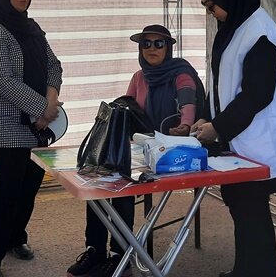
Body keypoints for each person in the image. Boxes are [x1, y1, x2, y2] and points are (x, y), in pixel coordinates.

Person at [190, 0, 276, 277]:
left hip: (262, 142)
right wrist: (206, 118)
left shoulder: (260, 33)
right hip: (241, 140)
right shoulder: (233, 29)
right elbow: (221, 84)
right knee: (243, 207)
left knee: (250, 211)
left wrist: (218, 127)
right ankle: (246, 270)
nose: (210, 12)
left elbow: (257, 94)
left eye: (212, 5)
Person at [67, 24, 204, 277]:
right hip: (142, 149)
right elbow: (127, 110)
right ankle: (95, 250)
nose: (152, 48)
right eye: (146, 44)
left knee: (123, 186)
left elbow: (188, 106)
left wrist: (184, 126)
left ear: (168, 48)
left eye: (158, 43)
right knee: (99, 178)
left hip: (172, 153)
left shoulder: (181, 74)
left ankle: (120, 256)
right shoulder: (139, 77)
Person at [0, 0, 63, 277]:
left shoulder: (31, 27)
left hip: (39, 122)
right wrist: (43, 109)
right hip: (5, 124)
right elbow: (2, 80)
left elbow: (54, 65)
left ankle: (15, 238)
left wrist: (50, 101)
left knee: (29, 186)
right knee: (7, 190)